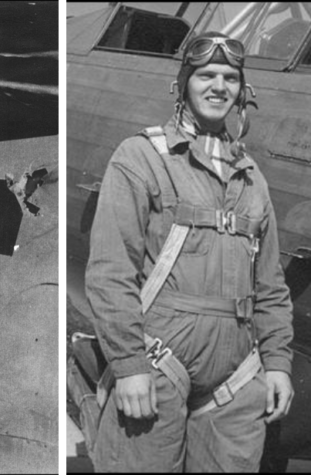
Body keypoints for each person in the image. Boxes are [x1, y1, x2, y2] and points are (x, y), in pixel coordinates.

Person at [85, 32, 294, 472]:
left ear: (242, 91)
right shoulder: (141, 157)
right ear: (184, 83)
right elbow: (110, 271)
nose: (219, 86)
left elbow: (270, 286)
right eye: (206, 75)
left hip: (237, 380)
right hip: (157, 366)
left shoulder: (251, 177)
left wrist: (277, 363)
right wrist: (128, 365)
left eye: (230, 77)